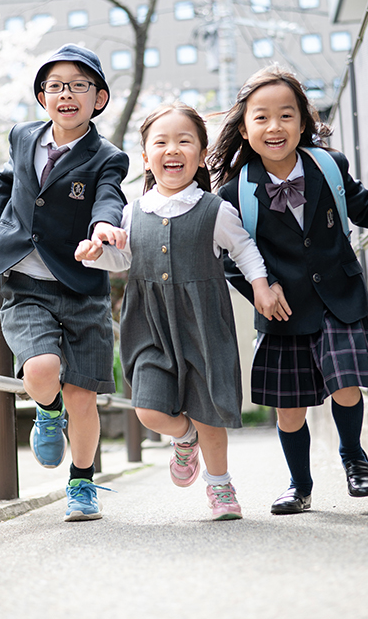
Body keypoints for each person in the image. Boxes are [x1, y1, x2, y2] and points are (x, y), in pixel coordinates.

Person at [209, 64, 368, 515]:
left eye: (286, 115)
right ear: (244, 130)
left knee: (347, 382)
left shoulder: (328, 165)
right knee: (291, 410)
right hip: (283, 311)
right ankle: (299, 485)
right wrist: (259, 292)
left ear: (303, 123)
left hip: (338, 297)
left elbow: (364, 203)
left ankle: (353, 456)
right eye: (261, 117)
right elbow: (229, 258)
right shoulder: (235, 193)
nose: (274, 126)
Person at [75, 102, 287, 520]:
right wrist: (93, 255)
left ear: (201, 152)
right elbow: (123, 260)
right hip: (149, 325)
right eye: (162, 142)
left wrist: (261, 286)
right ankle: (183, 436)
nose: (173, 150)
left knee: (210, 412)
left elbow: (244, 249)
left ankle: (221, 487)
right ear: (146, 157)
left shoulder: (214, 210)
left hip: (203, 323)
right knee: (148, 408)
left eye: (184, 141)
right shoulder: (132, 212)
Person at [0, 44, 129, 521]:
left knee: (83, 395)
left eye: (79, 86)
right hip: (25, 282)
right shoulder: (23, 136)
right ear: (42, 96)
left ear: (98, 99)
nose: (66, 95)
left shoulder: (107, 156)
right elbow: (5, 180)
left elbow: (108, 197)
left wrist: (103, 230)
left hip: (82, 286)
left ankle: (82, 482)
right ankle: (45, 410)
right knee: (40, 369)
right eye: (56, 86)